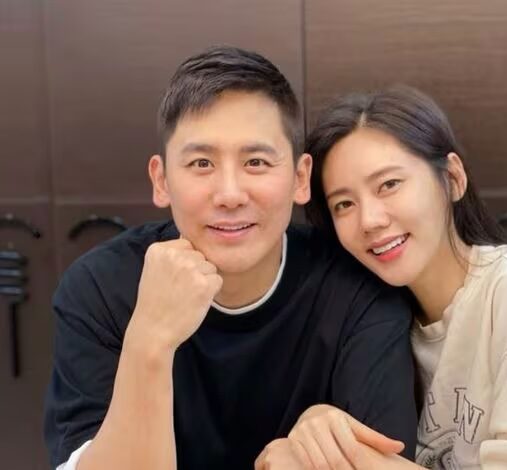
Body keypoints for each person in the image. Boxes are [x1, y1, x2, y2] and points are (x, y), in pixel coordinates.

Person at [43, 47, 419, 470]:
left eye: (256, 162)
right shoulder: (100, 288)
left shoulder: (357, 289)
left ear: (300, 178)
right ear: (161, 180)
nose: (230, 195)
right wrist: (150, 341)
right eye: (201, 163)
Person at [274, 86, 507, 469]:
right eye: (344, 204)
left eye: (389, 185)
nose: (369, 220)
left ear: (452, 178)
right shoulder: (371, 322)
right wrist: (315, 427)